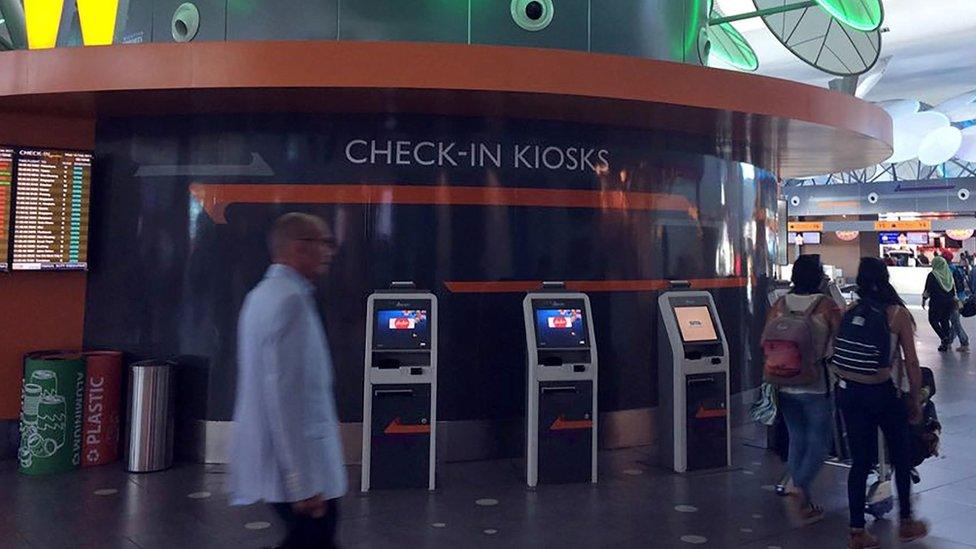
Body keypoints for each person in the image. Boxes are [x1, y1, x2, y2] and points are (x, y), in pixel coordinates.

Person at [229, 213, 346, 549]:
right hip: (298, 466)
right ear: (299, 248)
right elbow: (286, 397)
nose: (329, 251)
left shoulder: (262, 295)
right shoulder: (290, 302)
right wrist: (302, 482)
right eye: (323, 242)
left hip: (278, 461)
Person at [833, 258, 928, 549]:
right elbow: (911, 361)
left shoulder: (850, 310)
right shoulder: (896, 314)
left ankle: (857, 531)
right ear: (885, 278)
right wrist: (915, 397)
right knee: (900, 453)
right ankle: (907, 522)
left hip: (848, 392)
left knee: (860, 461)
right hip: (881, 393)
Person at [765, 255, 842, 524]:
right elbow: (841, 339)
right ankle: (801, 485)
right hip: (816, 382)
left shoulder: (779, 303)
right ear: (819, 276)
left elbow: (766, 339)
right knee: (820, 444)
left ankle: (803, 499)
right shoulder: (826, 306)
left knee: (797, 438)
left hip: (784, 382)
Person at [922, 256, 956, 352]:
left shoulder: (932, 275)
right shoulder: (949, 274)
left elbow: (928, 290)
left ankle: (943, 338)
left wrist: (924, 300)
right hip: (949, 302)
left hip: (937, 302)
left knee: (933, 320)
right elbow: (953, 289)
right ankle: (945, 343)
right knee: (944, 320)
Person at [945, 251, 970, 352]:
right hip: (962, 297)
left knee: (955, 320)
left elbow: (950, 285)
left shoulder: (948, 269)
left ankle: (964, 342)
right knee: (955, 320)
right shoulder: (956, 268)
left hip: (956, 299)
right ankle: (948, 341)